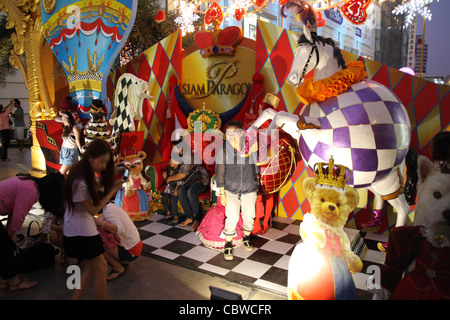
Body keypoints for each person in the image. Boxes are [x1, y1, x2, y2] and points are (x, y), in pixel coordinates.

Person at [61, 139, 125, 300]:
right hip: (81, 232)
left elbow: (91, 194)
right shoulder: (80, 179)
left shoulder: (82, 172)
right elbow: (93, 210)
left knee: (91, 268)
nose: (103, 166)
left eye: (106, 163)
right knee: (101, 268)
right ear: (90, 158)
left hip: (79, 229)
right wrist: (114, 189)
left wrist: (112, 176)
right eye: (102, 162)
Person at [0, 172, 65, 291]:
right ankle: (14, 283)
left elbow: (13, 210)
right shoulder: (31, 190)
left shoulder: (31, 183)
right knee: (6, 245)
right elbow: (19, 215)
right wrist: (12, 234)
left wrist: (10, 233)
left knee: (5, 244)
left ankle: (6, 280)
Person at [215, 120, 260, 261]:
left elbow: (256, 167)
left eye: (233, 133)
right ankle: (228, 243)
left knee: (249, 217)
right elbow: (220, 172)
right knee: (232, 216)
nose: (229, 136)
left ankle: (246, 238)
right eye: (227, 133)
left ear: (241, 133)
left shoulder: (250, 147)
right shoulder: (223, 150)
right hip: (230, 190)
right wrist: (222, 193)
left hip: (249, 188)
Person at [167, 139, 209, 231]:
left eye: (175, 149)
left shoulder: (187, 157)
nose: (173, 151)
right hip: (188, 181)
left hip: (200, 181)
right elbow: (182, 176)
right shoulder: (179, 158)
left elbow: (182, 175)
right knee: (180, 190)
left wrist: (169, 179)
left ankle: (197, 219)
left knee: (190, 192)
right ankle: (189, 217)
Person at [94, 203, 143, 280]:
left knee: (96, 244)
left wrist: (101, 223)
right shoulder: (110, 206)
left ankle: (118, 267)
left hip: (131, 251)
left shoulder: (108, 211)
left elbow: (120, 230)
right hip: (134, 246)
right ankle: (122, 261)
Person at [59, 111, 83, 176]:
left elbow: (78, 141)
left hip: (71, 151)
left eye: (64, 119)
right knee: (68, 173)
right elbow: (64, 141)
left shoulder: (74, 128)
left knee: (61, 173)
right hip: (64, 151)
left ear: (68, 120)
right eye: (62, 119)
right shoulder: (65, 128)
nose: (63, 121)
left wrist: (81, 151)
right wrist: (61, 150)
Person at [161, 157, 183, 224]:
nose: (170, 163)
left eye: (172, 162)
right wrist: (165, 177)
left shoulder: (179, 170)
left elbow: (181, 181)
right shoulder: (170, 169)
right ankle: (168, 212)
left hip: (176, 187)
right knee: (164, 197)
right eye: (170, 161)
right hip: (169, 187)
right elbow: (167, 181)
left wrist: (176, 189)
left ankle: (175, 216)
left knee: (173, 200)